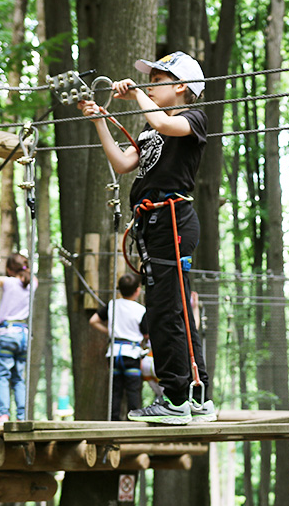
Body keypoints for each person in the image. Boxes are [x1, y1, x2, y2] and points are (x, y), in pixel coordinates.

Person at [79, 51, 214, 425]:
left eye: (157, 80)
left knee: (164, 311)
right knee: (177, 310)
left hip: (172, 219)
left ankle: (175, 399)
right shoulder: (151, 130)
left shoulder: (192, 119)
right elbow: (123, 164)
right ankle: (198, 396)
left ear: (181, 87)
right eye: (150, 81)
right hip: (154, 224)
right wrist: (101, 122)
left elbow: (166, 125)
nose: (151, 86)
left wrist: (138, 94)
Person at [0, 253, 36, 421]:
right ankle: (22, 417)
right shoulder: (33, 283)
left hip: (8, 334)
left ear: (9, 269)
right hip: (24, 334)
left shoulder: (7, 282)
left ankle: (3, 414)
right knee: (18, 378)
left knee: (3, 375)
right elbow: (27, 274)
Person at [90, 272, 148, 421]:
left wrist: (110, 332)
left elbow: (93, 320)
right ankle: (134, 421)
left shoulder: (112, 305)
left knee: (115, 391)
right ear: (137, 290)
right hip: (132, 354)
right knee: (133, 390)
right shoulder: (141, 310)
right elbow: (146, 333)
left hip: (114, 353)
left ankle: (114, 421)